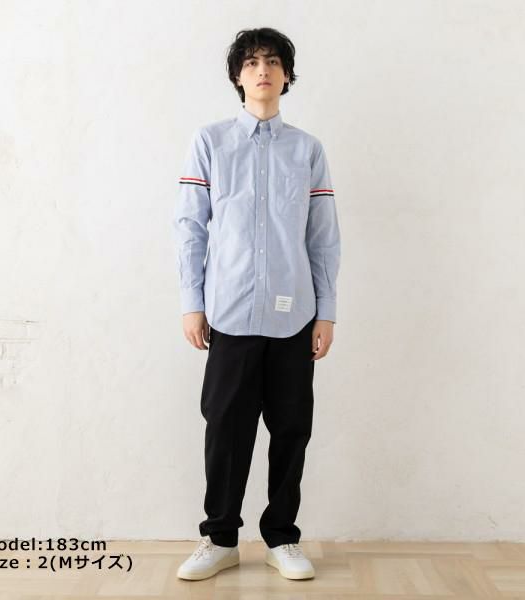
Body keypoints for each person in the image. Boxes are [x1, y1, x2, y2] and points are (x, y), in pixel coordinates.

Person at [172, 27, 341, 581]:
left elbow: (322, 236)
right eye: (250, 62)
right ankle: (219, 538)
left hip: (295, 318)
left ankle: (282, 538)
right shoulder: (210, 143)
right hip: (229, 311)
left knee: (291, 429)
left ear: (286, 75)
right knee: (225, 428)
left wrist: (326, 310)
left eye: (272, 61)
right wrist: (192, 301)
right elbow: (191, 227)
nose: (262, 70)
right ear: (237, 76)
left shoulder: (307, 150)